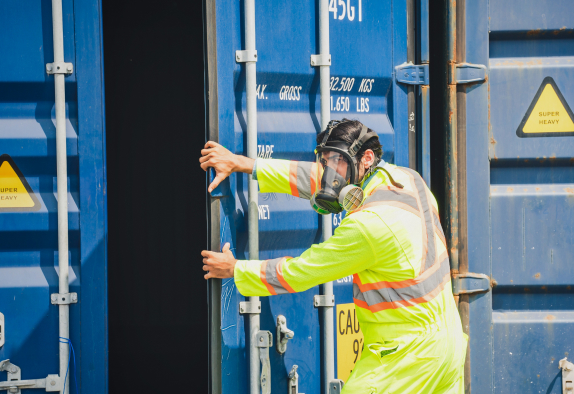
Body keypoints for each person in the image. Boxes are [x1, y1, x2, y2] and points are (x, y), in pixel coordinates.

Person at [199, 119, 466, 393]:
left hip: (407, 356)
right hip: (449, 347)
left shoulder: (368, 225)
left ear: (367, 158)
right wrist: (243, 164)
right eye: (326, 161)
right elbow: (316, 177)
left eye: (338, 160)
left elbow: (303, 271)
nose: (330, 172)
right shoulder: (408, 179)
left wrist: (236, 270)